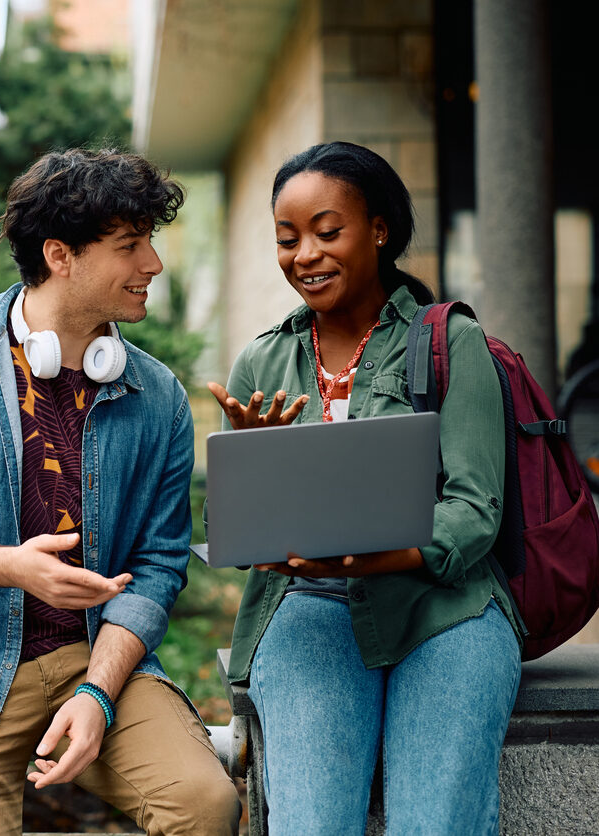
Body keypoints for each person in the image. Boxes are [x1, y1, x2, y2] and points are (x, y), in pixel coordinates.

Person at [0, 148, 240, 836]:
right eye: (130, 245)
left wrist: (97, 690)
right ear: (60, 255)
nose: (153, 264)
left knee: (205, 806)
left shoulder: (159, 398)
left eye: (150, 241)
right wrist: (10, 566)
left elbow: (157, 568)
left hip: (97, 659)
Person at [210, 141, 523, 835]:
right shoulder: (262, 360)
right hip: (309, 610)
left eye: (328, 231)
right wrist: (249, 472)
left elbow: (476, 512)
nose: (305, 256)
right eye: (288, 240)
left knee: (435, 825)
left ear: (378, 229)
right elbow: (234, 531)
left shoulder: (451, 342)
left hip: (446, 611)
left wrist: (373, 559)